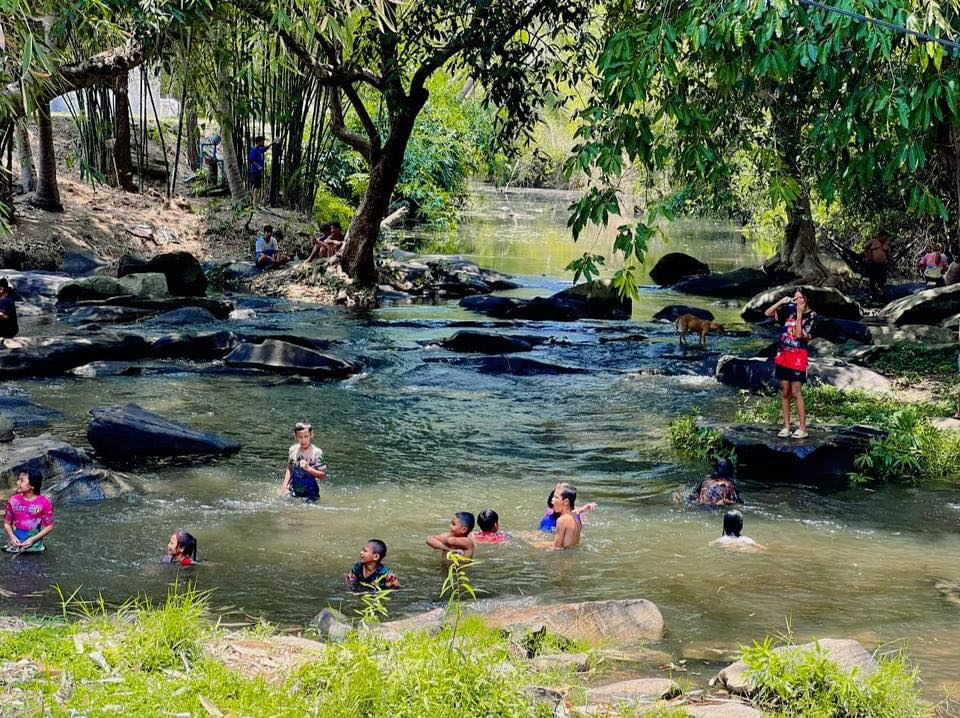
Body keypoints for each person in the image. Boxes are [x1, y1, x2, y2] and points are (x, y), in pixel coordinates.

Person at [765, 289, 815, 439]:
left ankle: (802, 428)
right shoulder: (788, 311)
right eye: (796, 297)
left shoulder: (812, 316)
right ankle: (786, 426)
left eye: (801, 298)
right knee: (785, 391)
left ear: (806, 300)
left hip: (798, 358)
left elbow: (800, 335)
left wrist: (799, 315)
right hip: (783, 356)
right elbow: (768, 313)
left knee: (796, 391)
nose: (798, 300)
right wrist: (782, 301)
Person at [3, 471, 54, 553]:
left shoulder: (44, 502)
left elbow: (49, 526)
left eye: (21, 480)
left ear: (32, 486)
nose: (17, 482)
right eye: (18, 479)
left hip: (35, 547)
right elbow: (7, 523)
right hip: (14, 546)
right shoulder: (13, 501)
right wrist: (12, 536)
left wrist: (33, 539)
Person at [279, 421, 328, 501]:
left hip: (311, 493)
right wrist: (283, 487)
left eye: (306, 436)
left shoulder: (317, 453)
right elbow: (290, 469)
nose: (303, 440)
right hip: (293, 490)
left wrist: (308, 468)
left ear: (311, 435)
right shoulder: (292, 450)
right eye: (300, 437)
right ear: (295, 436)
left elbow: (323, 475)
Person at [551, 485, 581, 550]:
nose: (552, 500)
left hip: (564, 557)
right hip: (572, 553)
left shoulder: (562, 520)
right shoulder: (575, 516)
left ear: (566, 501)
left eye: (556, 497)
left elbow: (556, 548)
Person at [248, 135, 271, 205]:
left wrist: (272, 143)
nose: (263, 143)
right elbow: (250, 160)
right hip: (255, 171)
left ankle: (254, 202)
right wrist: (258, 166)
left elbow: (265, 148)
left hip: (257, 171)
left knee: (255, 186)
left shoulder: (259, 149)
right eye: (262, 142)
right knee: (255, 187)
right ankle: (254, 203)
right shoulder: (254, 150)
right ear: (258, 142)